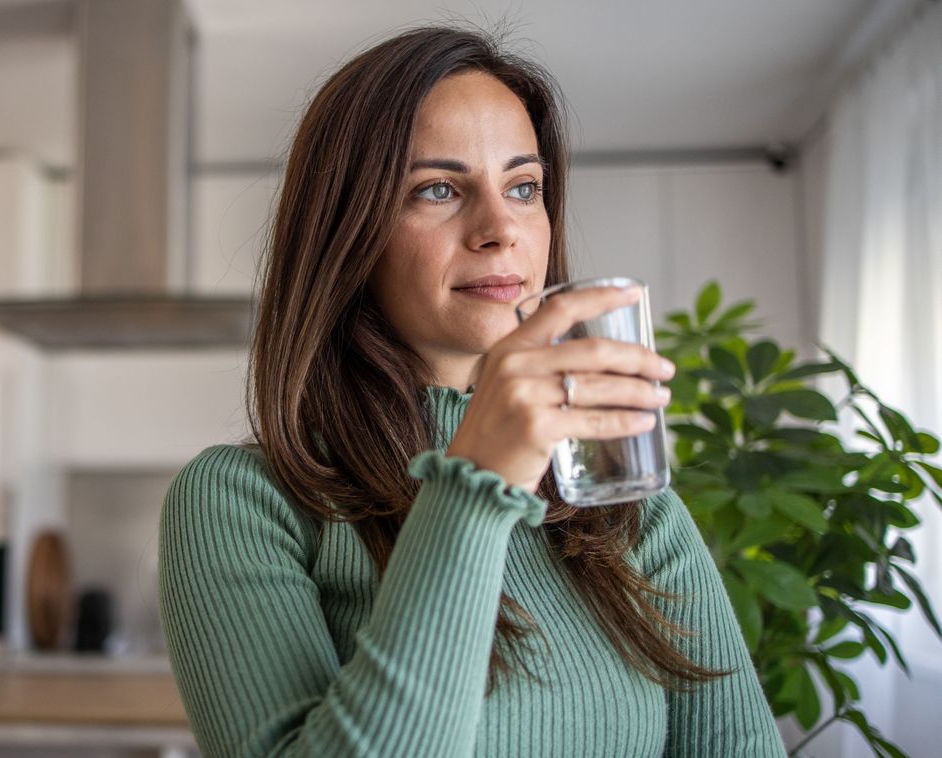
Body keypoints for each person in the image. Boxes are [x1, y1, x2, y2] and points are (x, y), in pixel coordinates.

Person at [158, 25, 783, 757]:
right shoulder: (242, 502)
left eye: (523, 187)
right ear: (346, 232)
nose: (500, 229)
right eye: (437, 189)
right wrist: (476, 483)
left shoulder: (626, 507)